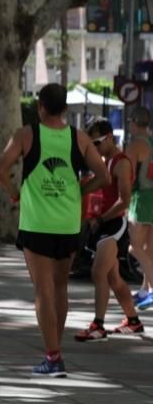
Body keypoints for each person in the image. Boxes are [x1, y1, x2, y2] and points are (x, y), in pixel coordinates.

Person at [0, 83, 108, 377]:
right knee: (59, 287)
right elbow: (104, 176)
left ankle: (53, 356)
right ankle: (56, 352)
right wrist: (81, 190)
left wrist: (15, 192)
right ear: (66, 109)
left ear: (40, 106)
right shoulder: (79, 138)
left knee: (42, 290)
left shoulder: (26, 134)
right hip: (68, 224)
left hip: (36, 224)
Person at [74, 119, 143, 339]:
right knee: (113, 279)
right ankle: (133, 321)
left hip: (114, 224)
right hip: (103, 224)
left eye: (97, 142)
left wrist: (101, 219)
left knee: (97, 272)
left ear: (110, 137)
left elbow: (124, 200)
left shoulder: (121, 162)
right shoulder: (104, 162)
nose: (93, 148)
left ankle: (98, 325)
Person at [124, 107, 153, 308]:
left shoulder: (134, 145)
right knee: (149, 250)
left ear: (134, 123)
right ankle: (145, 290)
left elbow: (129, 176)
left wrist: (123, 200)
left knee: (134, 247)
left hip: (141, 199)